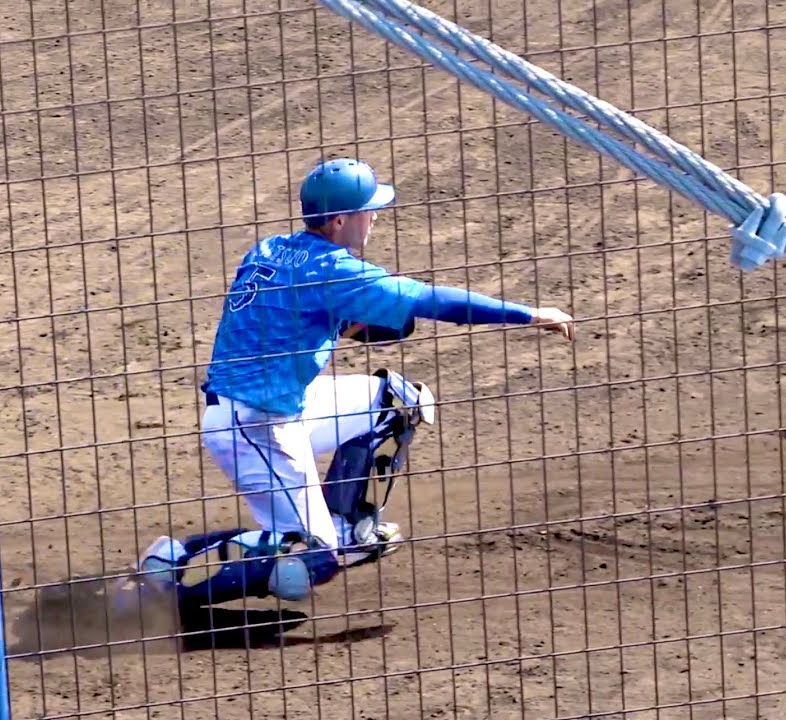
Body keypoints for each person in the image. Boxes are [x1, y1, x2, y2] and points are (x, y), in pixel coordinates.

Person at [122, 158, 574, 613]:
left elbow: (291, 317)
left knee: (394, 401)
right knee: (311, 560)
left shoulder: (271, 248)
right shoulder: (334, 271)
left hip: (282, 405)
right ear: (340, 220)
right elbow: (435, 301)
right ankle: (172, 574)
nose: (374, 217)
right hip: (253, 428)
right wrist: (530, 315)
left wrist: (349, 322)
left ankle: (345, 528)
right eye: (367, 209)